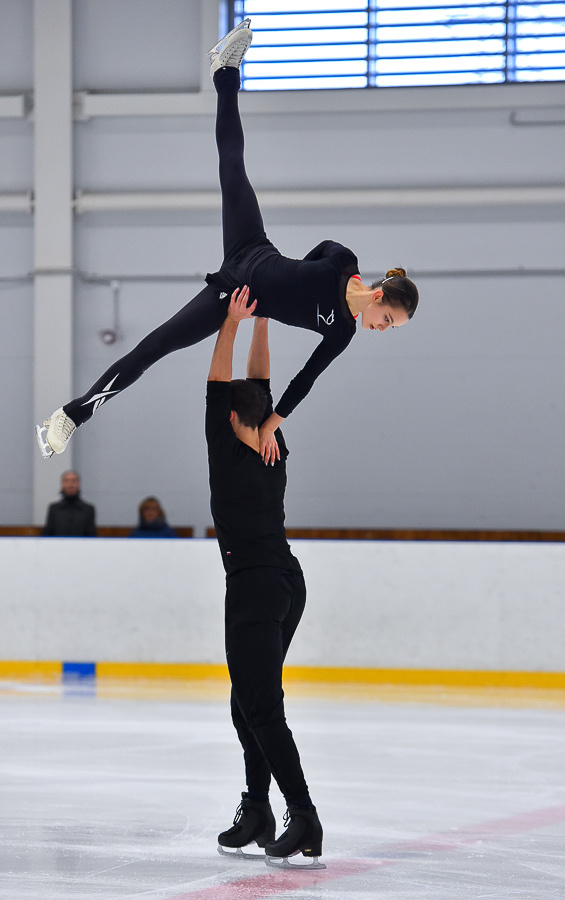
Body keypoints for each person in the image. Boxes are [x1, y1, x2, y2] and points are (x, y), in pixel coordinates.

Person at [36, 18, 418, 465]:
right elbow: (311, 257)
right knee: (232, 165)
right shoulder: (342, 261)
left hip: (232, 295)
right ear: (378, 295)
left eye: (391, 328)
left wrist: (268, 425)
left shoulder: (341, 331)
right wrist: (280, 280)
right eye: (388, 319)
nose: (383, 330)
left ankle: (68, 416)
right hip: (253, 247)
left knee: (154, 347)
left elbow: (304, 382)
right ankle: (225, 71)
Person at [206, 285, 324, 869]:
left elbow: (221, 380)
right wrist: (263, 320)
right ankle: (257, 807)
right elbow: (256, 386)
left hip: (253, 586)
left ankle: (302, 814)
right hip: (285, 582)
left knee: (260, 705)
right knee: (245, 700)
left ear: (229, 417)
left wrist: (231, 321)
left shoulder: (228, 450)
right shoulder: (273, 444)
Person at [42, 470, 97, 537]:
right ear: (62, 485)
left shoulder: (88, 509)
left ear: (79, 485)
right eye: (67, 481)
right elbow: (47, 534)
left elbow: (91, 536)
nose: (70, 485)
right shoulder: (54, 509)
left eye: (74, 481)